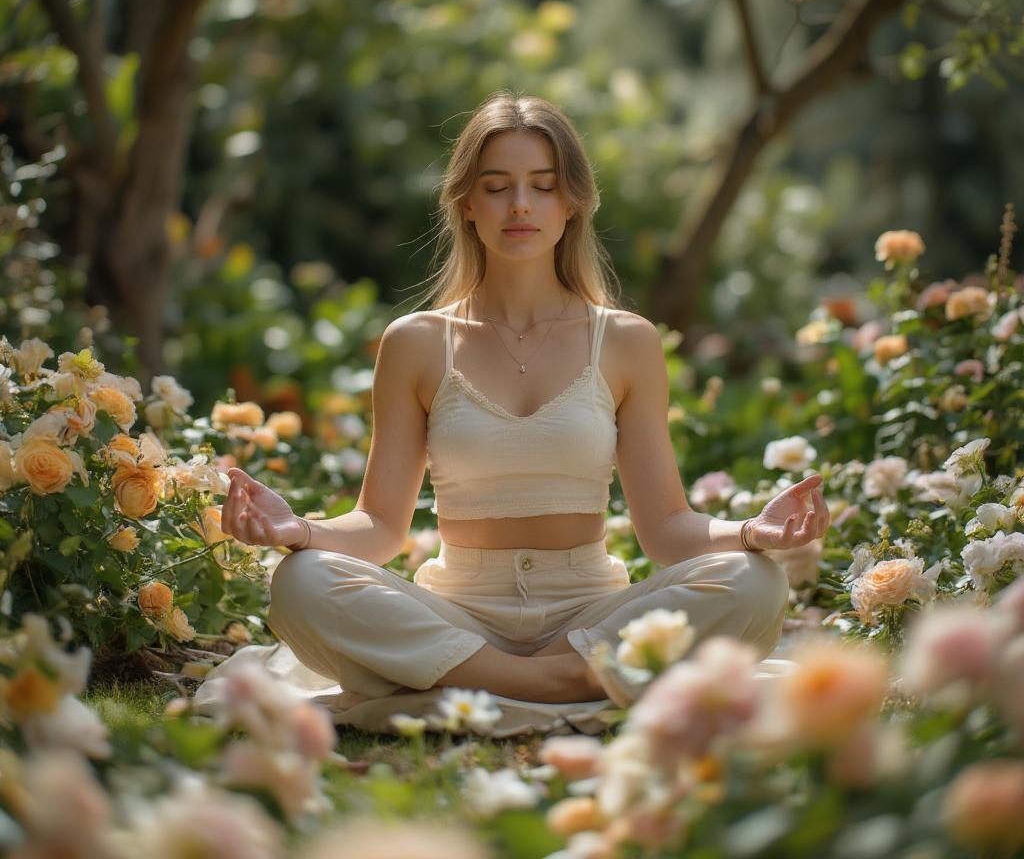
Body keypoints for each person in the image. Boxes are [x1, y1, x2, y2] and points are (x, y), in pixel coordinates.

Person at [197, 91, 829, 737]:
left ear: (573, 201)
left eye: (542, 186)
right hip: (459, 619)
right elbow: (381, 526)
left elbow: (667, 529)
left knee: (755, 582)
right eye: (497, 187)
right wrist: (299, 530)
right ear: (467, 204)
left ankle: (489, 681)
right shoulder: (416, 342)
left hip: (590, 614)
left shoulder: (627, 341)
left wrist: (752, 532)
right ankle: (564, 684)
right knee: (301, 581)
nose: (520, 205)